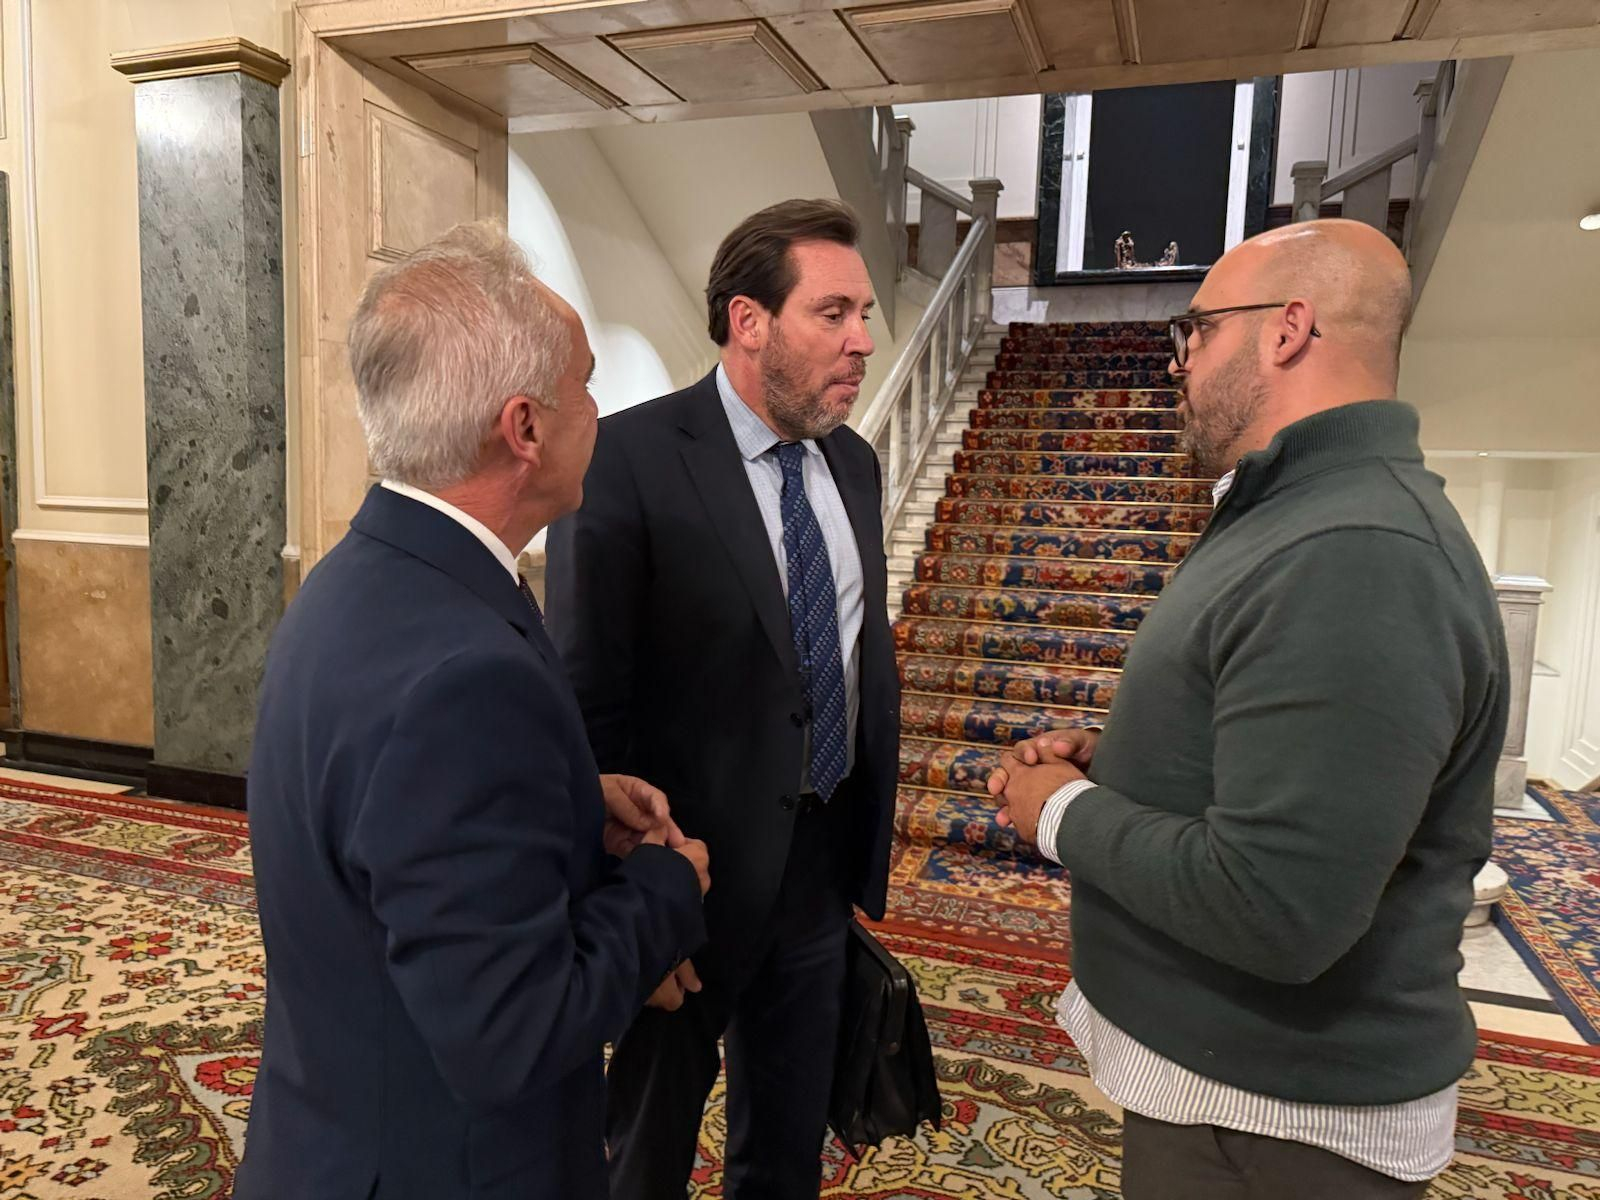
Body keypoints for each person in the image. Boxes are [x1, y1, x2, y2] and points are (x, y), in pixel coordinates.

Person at [988, 218, 1509, 1199]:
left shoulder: (1355, 550)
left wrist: (1058, 812)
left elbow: (1276, 910)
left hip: (1272, 1128)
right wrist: (1137, 756)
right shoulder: (1299, 510)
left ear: (1286, 329)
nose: (1177, 360)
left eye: (1197, 329)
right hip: (1240, 1100)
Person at [236, 222, 710, 1200]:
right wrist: (667, 888)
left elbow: (392, 832)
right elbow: (514, 1035)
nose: (599, 411)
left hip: (335, 1129)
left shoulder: (363, 576)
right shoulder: (463, 679)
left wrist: (570, 799)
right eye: (586, 384)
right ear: (523, 427)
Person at [544, 198, 901, 1200]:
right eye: (833, 313)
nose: (862, 341)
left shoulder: (854, 463)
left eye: (864, 315)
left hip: (819, 866)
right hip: (682, 874)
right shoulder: (627, 460)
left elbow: (853, 653)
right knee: (643, 1151)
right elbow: (588, 701)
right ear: (749, 321)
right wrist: (621, 902)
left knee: (785, 1149)